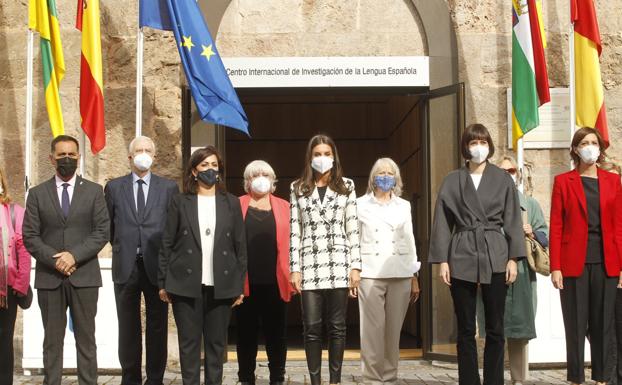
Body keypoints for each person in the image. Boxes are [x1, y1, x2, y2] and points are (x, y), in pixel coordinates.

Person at [428, 123, 524, 385]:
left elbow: (513, 219)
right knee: (466, 327)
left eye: (483, 142)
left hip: (495, 251)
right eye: (473, 142)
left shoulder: (503, 179)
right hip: (462, 252)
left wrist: (513, 258)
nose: (478, 147)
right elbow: (442, 222)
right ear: (466, 147)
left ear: (489, 145)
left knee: (495, 326)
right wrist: (443, 260)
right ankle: (468, 381)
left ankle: (494, 381)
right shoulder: (452, 180)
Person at [22, 135, 110, 385]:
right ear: (51, 158)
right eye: (61, 155)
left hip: (85, 276)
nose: (67, 159)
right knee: (52, 341)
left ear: (79, 157)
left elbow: (102, 231)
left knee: (86, 340)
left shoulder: (94, 191)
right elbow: (30, 235)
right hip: (50, 278)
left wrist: (74, 255)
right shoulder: (37, 194)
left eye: (72, 154)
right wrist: (56, 260)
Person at [158, 146, 247, 385]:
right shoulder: (180, 201)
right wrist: (162, 283)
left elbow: (240, 247)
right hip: (185, 284)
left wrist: (239, 284)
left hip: (222, 284)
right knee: (189, 345)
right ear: (194, 171)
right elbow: (167, 242)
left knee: (216, 346)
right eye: (205, 165)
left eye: (214, 165)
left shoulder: (231, 202)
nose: (210, 169)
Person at [550, 127, 622, 385]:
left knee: (604, 325)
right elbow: (556, 225)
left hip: (606, 263)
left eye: (594, 142)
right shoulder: (563, 181)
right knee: (576, 325)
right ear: (575, 149)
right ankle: (576, 378)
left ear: (601, 148)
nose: (589, 146)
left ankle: (602, 378)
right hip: (573, 264)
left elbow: (618, 226)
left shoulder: (613, 181)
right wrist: (555, 266)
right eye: (584, 142)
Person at [104, 136, 179, 385]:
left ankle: (155, 378)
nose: (143, 154)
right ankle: (131, 378)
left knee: (157, 326)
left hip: (156, 266)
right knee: (128, 326)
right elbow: (110, 228)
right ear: (129, 157)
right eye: (139, 150)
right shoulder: (114, 188)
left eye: (148, 150)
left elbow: (172, 228)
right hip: (126, 265)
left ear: (154, 157)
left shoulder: (168, 188)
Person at [289, 134, 361, 385]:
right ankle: (315, 380)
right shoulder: (297, 187)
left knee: (337, 327)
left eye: (326, 154)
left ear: (334, 156)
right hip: (309, 263)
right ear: (310, 157)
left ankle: (335, 381)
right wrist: (294, 269)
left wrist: (355, 266)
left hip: (339, 261)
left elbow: (352, 227)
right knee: (311, 327)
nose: (322, 158)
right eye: (317, 154)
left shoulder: (347, 186)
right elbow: (294, 230)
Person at [477, 155, 549, 385]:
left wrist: (531, 232)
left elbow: (546, 237)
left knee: (520, 330)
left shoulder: (530, 205)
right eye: (503, 170)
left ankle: (519, 379)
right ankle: (494, 378)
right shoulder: (484, 203)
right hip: (492, 271)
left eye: (512, 170)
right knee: (494, 328)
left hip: (522, 275)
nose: (508, 174)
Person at [356, 157, 421, 385]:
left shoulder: (404, 206)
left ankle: (390, 377)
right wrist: (353, 271)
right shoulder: (360, 204)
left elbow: (410, 240)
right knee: (372, 331)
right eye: (381, 172)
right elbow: (353, 239)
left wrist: (414, 274)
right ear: (373, 178)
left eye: (390, 172)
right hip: (370, 273)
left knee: (393, 333)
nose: (385, 176)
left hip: (400, 272)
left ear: (396, 178)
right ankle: (372, 379)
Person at [236, 160, 291, 385]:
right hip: (245, 283)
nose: (260, 178)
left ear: (273, 180)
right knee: (245, 335)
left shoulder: (285, 206)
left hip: (276, 282)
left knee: (276, 335)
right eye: (255, 174)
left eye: (265, 174)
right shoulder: (235, 204)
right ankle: (246, 378)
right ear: (247, 181)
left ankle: (277, 378)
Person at [0, 166, 31, 385]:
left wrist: (20, 284)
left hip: (6, 291)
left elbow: (24, 249)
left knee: (3, 342)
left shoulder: (14, 212)